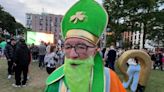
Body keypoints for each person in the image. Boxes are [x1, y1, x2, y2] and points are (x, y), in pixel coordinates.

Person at [45, 0, 126, 92]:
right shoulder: (55, 82)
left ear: (95, 51)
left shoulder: (109, 79)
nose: (72, 55)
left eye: (81, 47)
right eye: (68, 47)